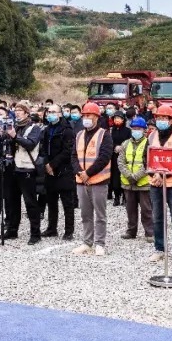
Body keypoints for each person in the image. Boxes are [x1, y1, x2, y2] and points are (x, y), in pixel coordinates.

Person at [147, 106, 172, 266]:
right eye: (159, 118)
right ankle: (159, 248)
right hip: (155, 184)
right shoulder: (151, 136)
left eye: (164, 118)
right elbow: (147, 158)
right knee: (157, 218)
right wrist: (154, 175)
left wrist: (163, 174)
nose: (161, 121)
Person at [72, 102, 113, 256]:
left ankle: (100, 243)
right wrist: (79, 172)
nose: (86, 117)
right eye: (85, 115)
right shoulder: (79, 135)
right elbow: (73, 156)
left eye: (89, 115)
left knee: (100, 214)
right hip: (81, 181)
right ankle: (87, 242)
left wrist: (88, 173)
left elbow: (104, 157)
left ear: (96, 117)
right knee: (85, 214)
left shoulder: (105, 135)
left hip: (98, 181)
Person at [4, 101, 44, 244]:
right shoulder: (14, 126)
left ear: (27, 113)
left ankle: (35, 233)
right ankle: (12, 230)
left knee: (30, 202)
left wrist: (15, 136)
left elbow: (30, 144)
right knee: (12, 201)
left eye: (20, 110)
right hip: (13, 168)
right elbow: (9, 144)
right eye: (16, 110)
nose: (17, 112)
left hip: (27, 169)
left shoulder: (35, 128)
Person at [41, 102, 76, 240]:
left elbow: (67, 151)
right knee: (51, 201)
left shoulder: (67, 130)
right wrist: (46, 164)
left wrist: (53, 165)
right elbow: (43, 148)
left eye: (53, 112)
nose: (50, 114)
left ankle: (69, 231)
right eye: (49, 112)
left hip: (63, 170)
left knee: (67, 203)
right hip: (49, 170)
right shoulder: (47, 129)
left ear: (60, 114)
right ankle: (52, 228)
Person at [118, 116, 153, 242]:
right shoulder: (125, 143)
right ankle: (131, 231)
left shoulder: (149, 143)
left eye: (139, 128)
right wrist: (128, 175)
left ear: (144, 130)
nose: (136, 130)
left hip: (143, 183)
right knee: (130, 209)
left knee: (146, 209)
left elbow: (149, 163)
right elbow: (121, 161)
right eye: (134, 128)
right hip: (128, 182)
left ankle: (150, 232)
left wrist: (136, 176)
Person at [108, 108, 131, 207]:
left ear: (123, 119)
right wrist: (114, 147)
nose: (117, 120)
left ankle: (125, 198)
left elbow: (130, 142)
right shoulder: (111, 130)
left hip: (124, 156)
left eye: (119, 118)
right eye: (115, 118)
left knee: (124, 175)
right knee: (115, 177)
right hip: (113, 156)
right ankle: (116, 197)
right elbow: (108, 142)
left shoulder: (127, 131)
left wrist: (122, 147)